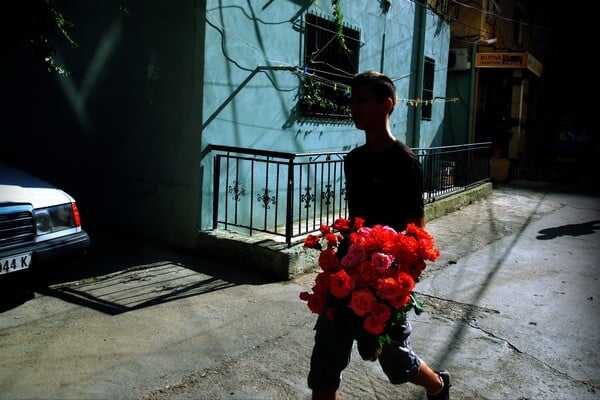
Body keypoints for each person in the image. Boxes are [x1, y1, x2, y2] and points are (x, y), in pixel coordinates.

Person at [307, 71, 451, 400]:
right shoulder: (354, 160)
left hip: (385, 277)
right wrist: (338, 255)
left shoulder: (404, 161)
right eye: (352, 100)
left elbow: (416, 227)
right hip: (347, 269)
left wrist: (398, 280)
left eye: (362, 100)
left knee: (395, 359)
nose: (353, 107)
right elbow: (357, 219)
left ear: (385, 105)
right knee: (325, 362)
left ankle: (438, 386)